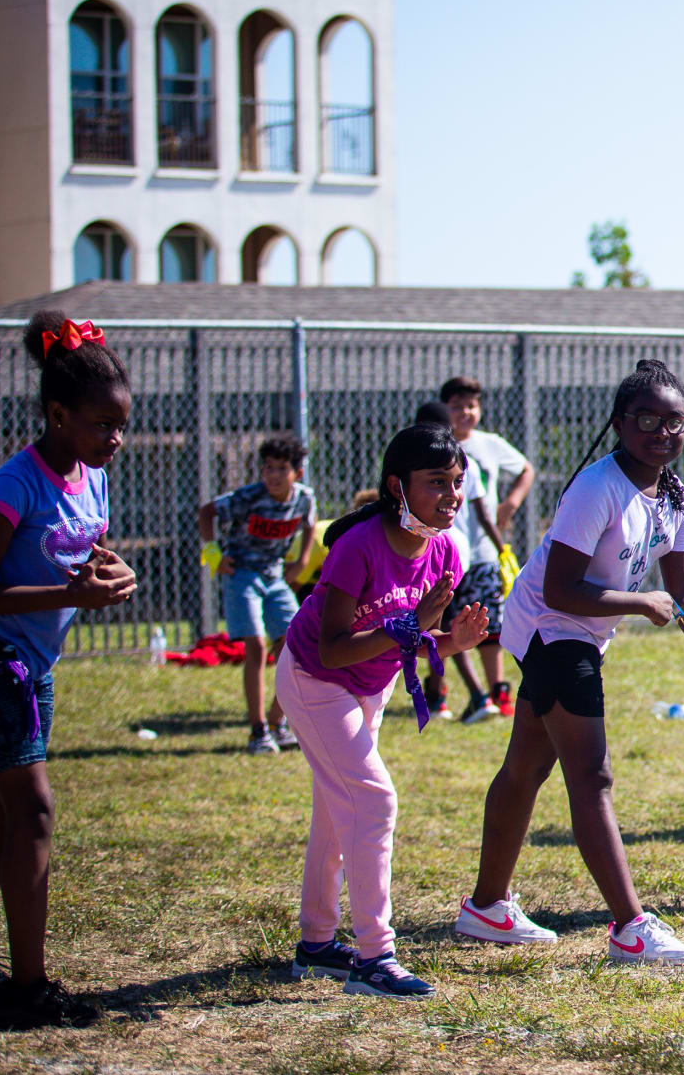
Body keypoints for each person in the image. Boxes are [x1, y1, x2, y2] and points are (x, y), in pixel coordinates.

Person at [461, 360, 684, 963]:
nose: (663, 432)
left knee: (526, 766)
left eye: (675, 421)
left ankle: (486, 907)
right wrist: (638, 602)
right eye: (648, 419)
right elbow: (559, 589)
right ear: (620, 424)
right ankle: (630, 928)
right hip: (553, 628)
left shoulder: (676, 498)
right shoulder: (597, 488)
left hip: (580, 632)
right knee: (591, 776)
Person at [0, 311, 138, 1028]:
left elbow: (85, 556)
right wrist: (71, 594)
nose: (116, 439)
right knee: (33, 811)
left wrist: (108, 573)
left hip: (34, 662)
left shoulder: (88, 475)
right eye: (102, 425)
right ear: (58, 413)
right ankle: (28, 990)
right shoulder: (16, 484)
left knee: (1, 816)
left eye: (122, 424)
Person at [276, 423, 489, 999]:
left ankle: (317, 945)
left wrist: (453, 643)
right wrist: (411, 626)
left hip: (368, 688)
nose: (451, 496)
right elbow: (333, 647)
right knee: (373, 799)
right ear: (398, 487)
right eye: (436, 483)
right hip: (314, 679)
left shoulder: (445, 547)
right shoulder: (358, 545)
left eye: (457, 482)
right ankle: (375, 957)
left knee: (336, 812)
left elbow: (413, 640)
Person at [198, 435, 314, 754]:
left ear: (297, 473)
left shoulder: (304, 498)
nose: (273, 475)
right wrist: (213, 554)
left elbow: (309, 526)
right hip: (242, 575)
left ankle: (278, 722)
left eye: (281, 469)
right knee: (256, 647)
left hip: (275, 575)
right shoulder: (247, 497)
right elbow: (206, 513)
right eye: (268, 468)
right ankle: (257, 731)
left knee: (296, 646)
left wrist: (301, 561)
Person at [443, 376, 537, 718]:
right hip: (446, 552)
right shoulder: (440, 444)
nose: (465, 413)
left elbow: (526, 469)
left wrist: (510, 505)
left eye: (471, 406)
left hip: (482, 550)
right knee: (445, 621)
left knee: (488, 622)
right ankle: (442, 691)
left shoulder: (490, 444)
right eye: (457, 407)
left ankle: (498, 691)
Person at [414, 400, 508, 725]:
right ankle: (437, 697)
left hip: (437, 555)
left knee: (438, 629)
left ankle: (478, 696)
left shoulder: (423, 464)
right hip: (460, 556)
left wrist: (502, 552)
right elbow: (483, 513)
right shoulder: (463, 460)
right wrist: (501, 548)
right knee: (433, 626)